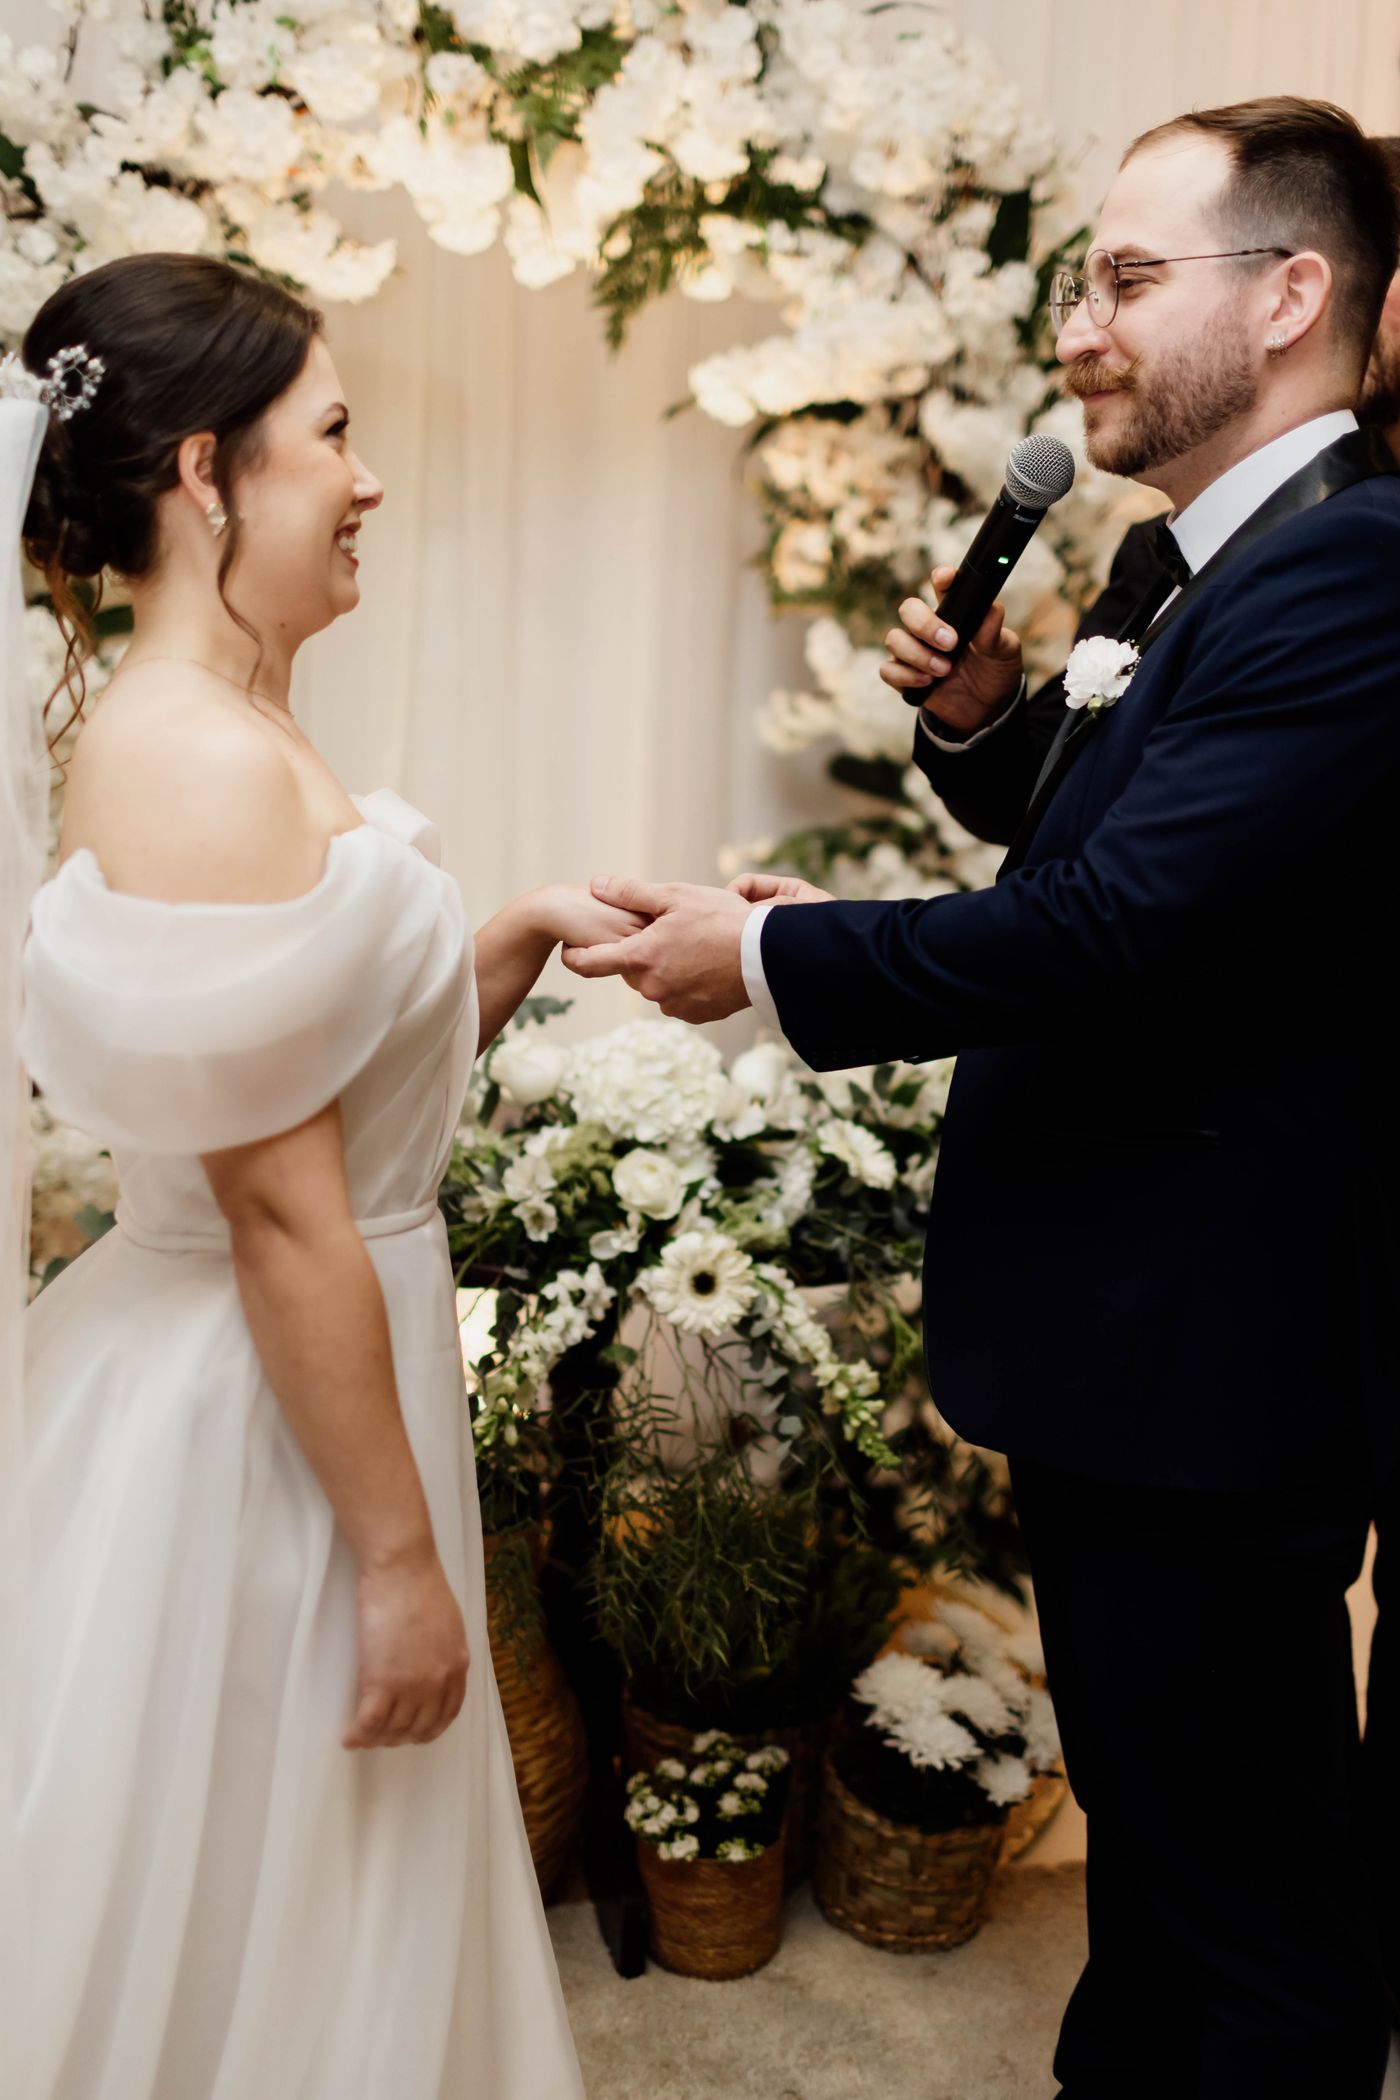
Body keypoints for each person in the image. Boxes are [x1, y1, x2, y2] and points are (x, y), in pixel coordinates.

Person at [565, 97, 1400, 2098]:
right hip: (1129, 1346)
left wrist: (774, 962)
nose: (1077, 328)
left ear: (1289, 295)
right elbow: (1130, 859)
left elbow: (1121, 932)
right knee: (1163, 1857)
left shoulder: (1352, 571)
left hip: (1216, 1358)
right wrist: (986, 724)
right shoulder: (1180, 559)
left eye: (1126, 278)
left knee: (1260, 1922)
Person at [1, 252, 639, 2099]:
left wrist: (508, 936)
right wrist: (400, 1563)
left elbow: (325, 1090)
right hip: (253, 1423)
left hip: (303, 1361)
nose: (368, 479)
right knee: (260, 1909)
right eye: (334, 434)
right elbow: (281, 1207)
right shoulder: (193, 757)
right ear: (207, 472)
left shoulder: (238, 715)